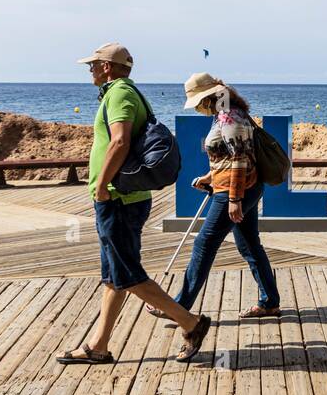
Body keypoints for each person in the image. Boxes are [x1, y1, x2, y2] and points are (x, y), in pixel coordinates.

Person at [58, 43, 212, 364]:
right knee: (115, 276)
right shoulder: (121, 92)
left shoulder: (119, 95)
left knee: (128, 275)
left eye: (93, 65)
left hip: (118, 199)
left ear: (107, 67)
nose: (90, 69)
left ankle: (191, 323)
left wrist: (101, 185)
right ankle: (98, 346)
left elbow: (120, 140)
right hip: (123, 199)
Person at [171, 72, 281, 318]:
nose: (197, 108)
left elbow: (240, 160)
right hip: (238, 187)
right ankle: (270, 302)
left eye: (198, 102)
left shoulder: (229, 116)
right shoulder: (225, 114)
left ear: (208, 97)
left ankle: (179, 307)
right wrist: (208, 178)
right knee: (250, 245)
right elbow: (229, 157)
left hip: (235, 191)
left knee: (204, 244)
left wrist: (234, 199)